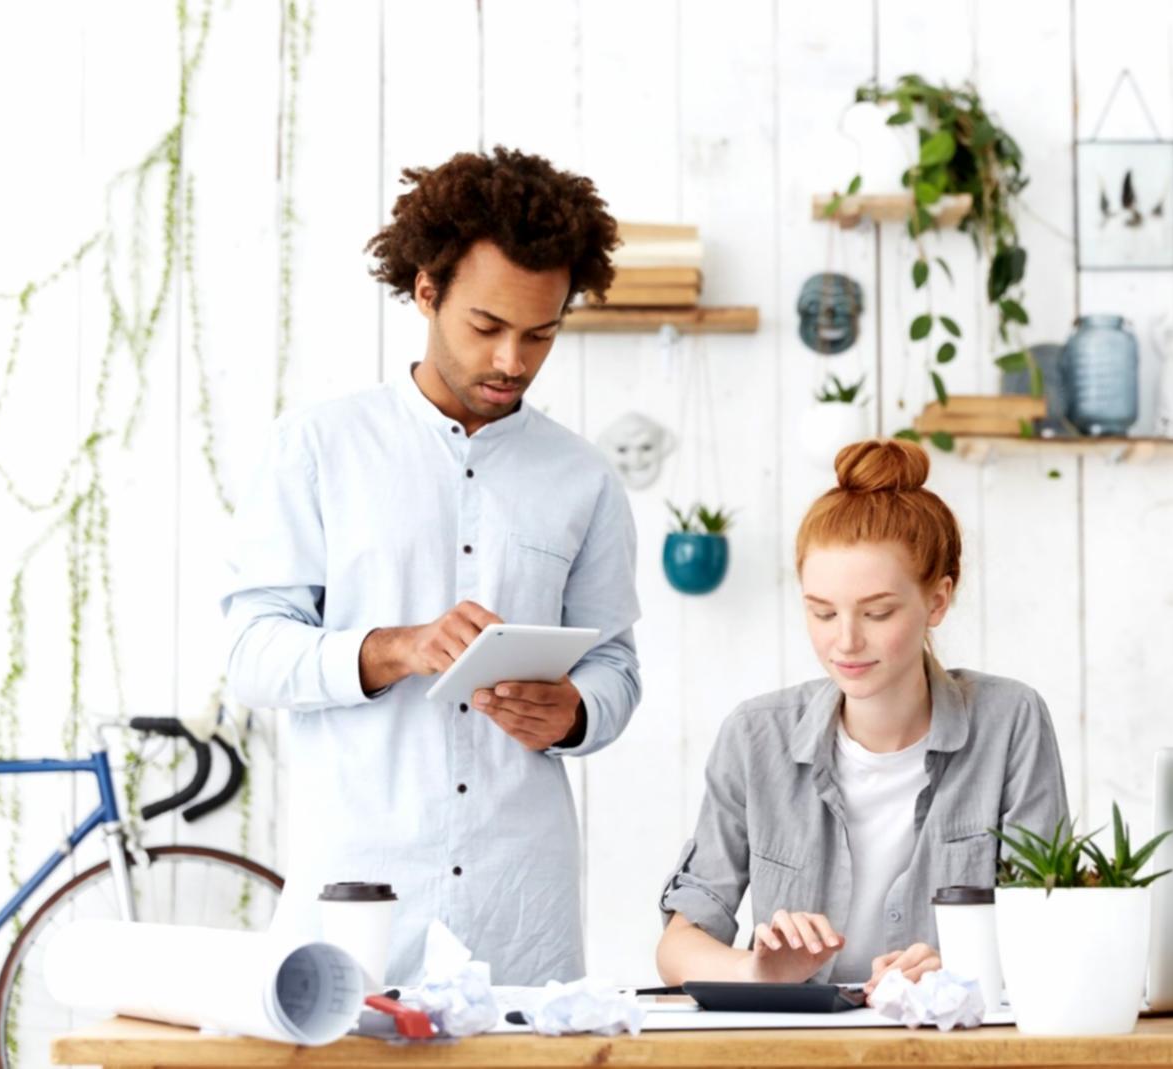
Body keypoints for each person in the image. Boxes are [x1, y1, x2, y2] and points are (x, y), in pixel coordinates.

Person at [222, 147, 640, 986]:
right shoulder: (318, 449)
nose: (512, 361)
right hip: (357, 894)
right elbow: (252, 654)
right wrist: (398, 647)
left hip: (521, 904)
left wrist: (574, 712)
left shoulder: (585, 479)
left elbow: (616, 667)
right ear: (426, 291)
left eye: (541, 333)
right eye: (487, 327)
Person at [656, 438, 1068, 989]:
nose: (845, 641)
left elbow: (1050, 923)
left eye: (877, 612)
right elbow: (679, 945)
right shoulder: (756, 736)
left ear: (938, 601)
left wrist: (962, 971)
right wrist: (755, 968)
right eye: (822, 612)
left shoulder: (1010, 722)